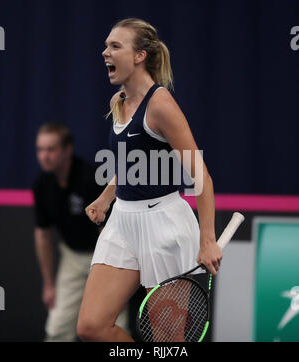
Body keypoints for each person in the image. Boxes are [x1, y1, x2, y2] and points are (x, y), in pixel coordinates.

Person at [77, 18, 222, 342]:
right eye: (106, 45)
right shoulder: (119, 102)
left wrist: (207, 238)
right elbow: (132, 163)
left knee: (166, 343)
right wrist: (106, 198)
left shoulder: (161, 105)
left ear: (140, 55)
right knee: (91, 326)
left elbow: (202, 177)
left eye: (115, 46)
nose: (105, 53)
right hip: (122, 223)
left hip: (164, 227)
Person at [32, 123, 123, 342]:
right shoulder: (41, 184)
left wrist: (107, 274)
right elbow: (43, 235)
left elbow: (109, 230)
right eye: (40, 150)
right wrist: (48, 284)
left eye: (50, 149)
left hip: (105, 258)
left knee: (113, 327)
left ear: (67, 150)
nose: (44, 156)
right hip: (71, 259)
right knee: (56, 331)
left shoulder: (91, 178)